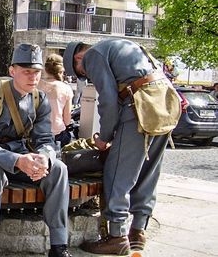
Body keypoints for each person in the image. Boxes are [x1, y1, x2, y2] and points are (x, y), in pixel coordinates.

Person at [63, 39, 171, 255]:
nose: (87, 77)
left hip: (139, 109)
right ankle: (138, 231)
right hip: (164, 105)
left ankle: (117, 237)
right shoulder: (125, 46)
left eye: (82, 74)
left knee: (117, 172)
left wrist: (105, 137)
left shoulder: (93, 55)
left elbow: (108, 100)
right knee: (147, 172)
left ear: (78, 59)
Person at [0, 44, 71, 257]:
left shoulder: (40, 100)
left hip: (22, 156)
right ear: (12, 71)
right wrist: (17, 160)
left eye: (37, 72)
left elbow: (45, 140)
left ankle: (59, 245)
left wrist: (44, 159)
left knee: (58, 169)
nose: (33, 77)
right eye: (26, 71)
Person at [38, 54, 74, 147]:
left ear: (45, 69)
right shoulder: (66, 88)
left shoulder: (36, 85)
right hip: (57, 134)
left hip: (37, 133)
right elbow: (67, 120)